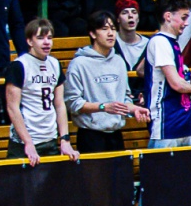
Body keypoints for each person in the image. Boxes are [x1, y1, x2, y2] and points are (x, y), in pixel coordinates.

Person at [63, 10, 150, 154]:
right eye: (104, 29)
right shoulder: (79, 64)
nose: (111, 33)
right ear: (93, 33)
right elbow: (72, 103)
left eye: (113, 29)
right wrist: (103, 107)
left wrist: (134, 109)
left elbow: (124, 98)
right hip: (90, 135)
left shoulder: (119, 61)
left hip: (116, 134)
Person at [4, 19, 79, 165]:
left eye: (49, 38)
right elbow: (12, 107)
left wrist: (65, 139)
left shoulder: (54, 64)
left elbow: (59, 104)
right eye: (40, 38)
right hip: (24, 142)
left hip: (50, 138)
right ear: (29, 41)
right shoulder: (19, 65)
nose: (46, 42)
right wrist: (28, 142)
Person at [142, 0, 191, 151]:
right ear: (168, 16)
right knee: (165, 166)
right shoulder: (160, 41)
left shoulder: (167, 41)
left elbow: (141, 70)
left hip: (183, 116)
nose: (186, 23)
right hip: (167, 120)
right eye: (183, 17)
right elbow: (176, 84)